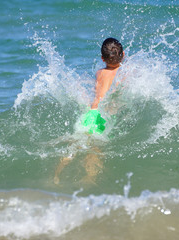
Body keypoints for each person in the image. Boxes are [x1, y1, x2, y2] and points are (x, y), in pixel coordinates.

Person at [54, 38, 124, 185]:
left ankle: (56, 175)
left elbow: (96, 91)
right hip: (102, 117)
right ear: (123, 54)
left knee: (75, 144)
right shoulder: (122, 74)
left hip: (90, 113)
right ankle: (89, 178)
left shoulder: (99, 72)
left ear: (102, 59)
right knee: (94, 148)